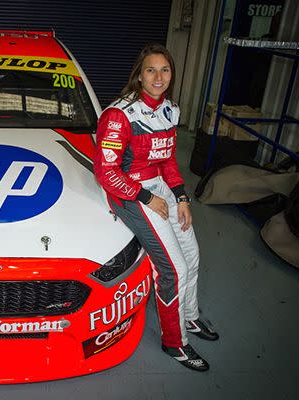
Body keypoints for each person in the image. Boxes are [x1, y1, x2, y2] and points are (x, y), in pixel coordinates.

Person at [94, 43, 219, 371]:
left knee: (192, 256)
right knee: (172, 270)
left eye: (165, 70)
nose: (159, 76)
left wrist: (181, 198)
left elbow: (168, 162)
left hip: (159, 187)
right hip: (128, 192)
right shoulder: (119, 115)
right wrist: (148, 197)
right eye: (151, 69)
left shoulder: (169, 110)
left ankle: (190, 318)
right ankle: (174, 343)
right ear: (139, 74)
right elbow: (106, 172)